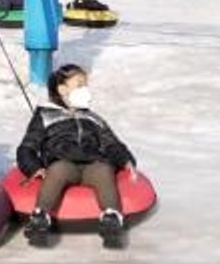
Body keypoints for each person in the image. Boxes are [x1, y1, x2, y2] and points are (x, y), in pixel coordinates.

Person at [17, 64, 136, 248]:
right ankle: (40, 216)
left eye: (86, 85)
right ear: (62, 89)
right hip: (64, 162)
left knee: (104, 170)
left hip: (91, 164)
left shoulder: (93, 118)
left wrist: (125, 159)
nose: (85, 90)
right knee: (58, 170)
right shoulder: (45, 116)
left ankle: (111, 218)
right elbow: (27, 147)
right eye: (80, 85)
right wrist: (33, 167)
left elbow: (111, 143)